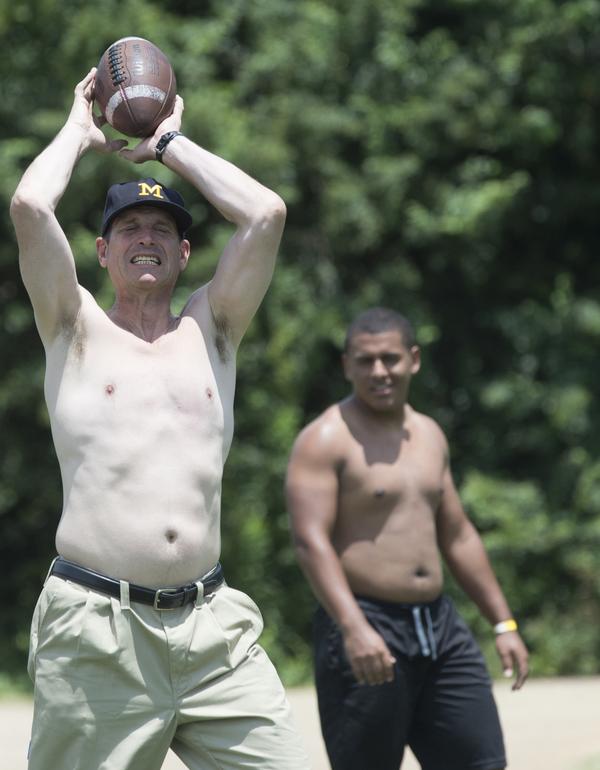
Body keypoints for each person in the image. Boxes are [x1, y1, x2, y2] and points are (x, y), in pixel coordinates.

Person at [10, 68, 309, 770]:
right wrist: (80, 132)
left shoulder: (214, 329)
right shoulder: (72, 325)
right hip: (95, 631)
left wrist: (169, 142)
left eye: (163, 229)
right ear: (103, 252)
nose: (146, 236)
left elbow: (266, 213)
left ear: (183, 254)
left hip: (213, 631)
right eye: (129, 226)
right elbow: (29, 205)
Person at [285, 306, 529, 770]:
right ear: (347, 365)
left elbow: (457, 534)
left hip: (440, 627)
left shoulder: (430, 435)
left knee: (481, 763)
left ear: (413, 359)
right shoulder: (325, 440)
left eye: (390, 359)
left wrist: (503, 623)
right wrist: (354, 628)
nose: (379, 371)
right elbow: (309, 542)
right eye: (365, 360)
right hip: (366, 624)